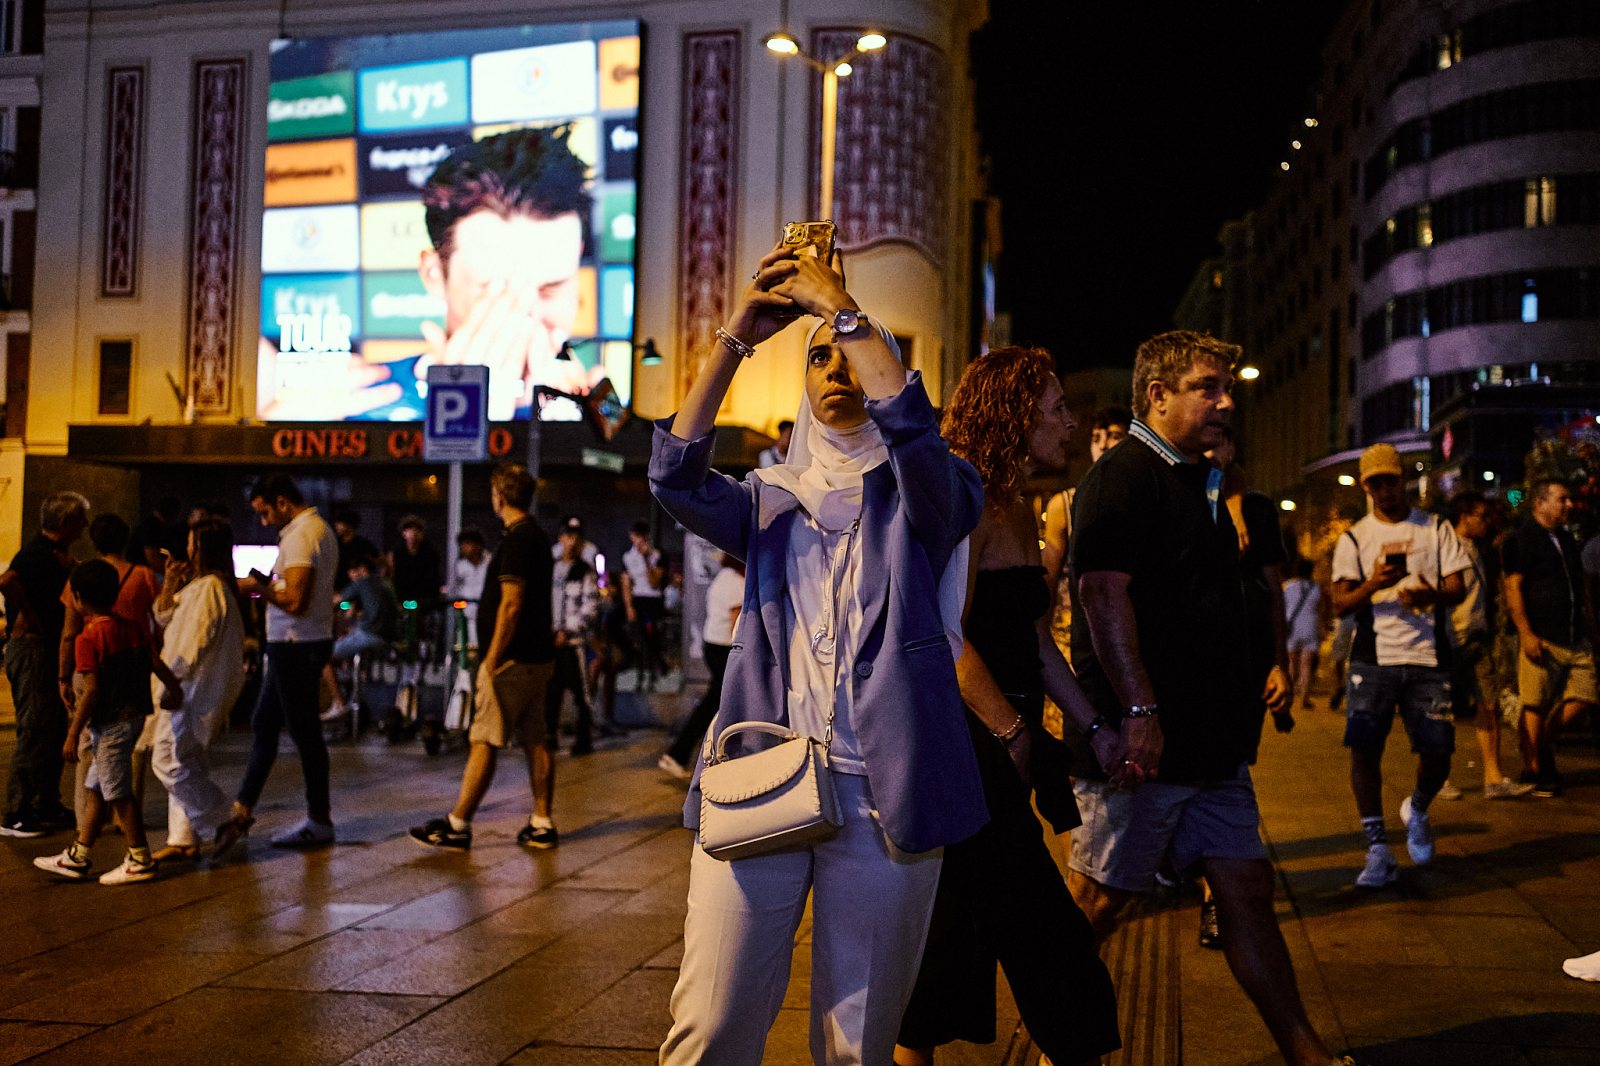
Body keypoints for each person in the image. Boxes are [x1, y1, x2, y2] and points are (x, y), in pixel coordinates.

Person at [652, 241, 985, 1064]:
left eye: (853, 352)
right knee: (711, 1025)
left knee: (854, 1045)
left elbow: (917, 440)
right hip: (760, 780)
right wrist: (737, 333)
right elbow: (674, 478)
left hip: (885, 798)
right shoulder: (768, 501)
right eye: (819, 356)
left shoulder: (935, 494)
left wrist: (841, 308)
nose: (837, 368)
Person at [1067, 331, 1347, 1066]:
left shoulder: (1201, 480)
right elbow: (1101, 597)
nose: (1226, 402)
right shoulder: (1123, 476)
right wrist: (1139, 713)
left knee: (1247, 894)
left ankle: (1307, 1055)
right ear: (1157, 395)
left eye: (1228, 388)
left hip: (1212, 747)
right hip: (1147, 750)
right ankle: (1057, 1044)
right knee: (1096, 907)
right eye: (1208, 388)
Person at [894, 346, 1122, 1066]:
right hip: (970, 740)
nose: (1069, 423)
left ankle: (912, 1047)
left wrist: (1094, 727)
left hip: (1003, 741)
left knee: (952, 922)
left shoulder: (1021, 508)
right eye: (1056, 409)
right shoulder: (966, 500)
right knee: (1041, 924)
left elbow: (1036, 641)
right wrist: (1013, 730)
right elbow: (947, 633)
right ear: (1018, 416)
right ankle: (1077, 1045)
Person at [261, 127, 597, 421]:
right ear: (435, 275)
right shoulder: (356, 409)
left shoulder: (599, 411)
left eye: (551, 288)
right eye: (497, 293)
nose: (528, 317)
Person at [1330, 444, 1469, 888]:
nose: (1385, 491)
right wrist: (1374, 582)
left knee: (1438, 751)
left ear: (1403, 479)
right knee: (1364, 750)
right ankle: (1377, 848)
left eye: (1390, 481)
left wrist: (1430, 595)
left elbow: (1458, 586)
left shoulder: (1436, 528)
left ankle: (1418, 808)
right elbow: (1340, 602)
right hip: (1373, 659)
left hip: (1429, 657)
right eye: (1375, 484)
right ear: (1365, 487)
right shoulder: (1355, 538)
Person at [410, 463, 558, 851]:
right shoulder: (537, 537)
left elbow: (511, 603)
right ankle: (542, 822)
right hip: (538, 656)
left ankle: (458, 823)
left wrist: (491, 660)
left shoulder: (516, 541)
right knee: (536, 740)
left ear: (500, 497)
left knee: (483, 738)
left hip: (511, 661)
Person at [33, 560, 181, 885]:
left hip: (110, 723)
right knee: (97, 787)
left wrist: (73, 733)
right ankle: (78, 855)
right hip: (133, 717)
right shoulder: (132, 627)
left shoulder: (88, 638)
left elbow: (91, 691)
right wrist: (175, 689)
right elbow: (155, 662)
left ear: (78, 597)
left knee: (118, 792)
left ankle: (140, 858)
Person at [217, 473, 341, 853]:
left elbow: (296, 601)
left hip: (296, 645)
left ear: (283, 502)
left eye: (266, 512)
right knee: (264, 723)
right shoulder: (314, 530)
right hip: (293, 644)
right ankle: (242, 810)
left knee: (304, 733)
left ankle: (319, 820)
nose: (264, 520)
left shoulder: (303, 536)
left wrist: (259, 588)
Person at [149, 519, 246, 863]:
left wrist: (172, 682)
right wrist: (170, 585)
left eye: (192, 543)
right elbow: (164, 618)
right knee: (186, 760)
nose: (187, 549)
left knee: (168, 760)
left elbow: (191, 642)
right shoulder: (206, 586)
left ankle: (225, 820)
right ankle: (182, 839)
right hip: (190, 688)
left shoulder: (209, 588)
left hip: (187, 690)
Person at [55, 514, 162, 826]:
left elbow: (69, 633)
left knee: (88, 742)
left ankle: (87, 817)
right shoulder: (143, 575)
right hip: (132, 668)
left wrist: (63, 676)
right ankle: (122, 816)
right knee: (130, 745)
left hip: (90, 666)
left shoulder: (81, 578)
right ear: (126, 540)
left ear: (93, 542)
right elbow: (160, 619)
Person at [0, 491, 90, 838]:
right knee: (36, 728)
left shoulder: (55, 555)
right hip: (34, 651)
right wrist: (29, 615)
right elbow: (7, 580)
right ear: (65, 522)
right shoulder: (37, 553)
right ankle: (17, 812)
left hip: (44, 649)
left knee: (52, 729)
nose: (84, 526)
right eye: (80, 520)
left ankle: (45, 803)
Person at [1502, 479, 1597, 798]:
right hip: (1542, 635)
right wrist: (1526, 633)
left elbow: (1579, 587)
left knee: (1585, 696)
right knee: (1535, 702)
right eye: (1562, 499)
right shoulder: (1520, 539)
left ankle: (1540, 745)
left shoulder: (1567, 539)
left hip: (1574, 635)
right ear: (1540, 503)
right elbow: (1513, 588)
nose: (1569, 505)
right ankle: (1534, 770)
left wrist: (1589, 625)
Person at [1450, 491, 1532, 799]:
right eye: (1481, 516)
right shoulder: (1445, 546)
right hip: (1450, 638)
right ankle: (1437, 778)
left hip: (1477, 637)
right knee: (1440, 710)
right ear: (1464, 517)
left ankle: (1493, 778)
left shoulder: (1479, 548)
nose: (1487, 522)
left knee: (1488, 704)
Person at [1041, 404, 1130, 666]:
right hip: (1069, 640)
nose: (1103, 445)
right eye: (1095, 438)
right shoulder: (1065, 504)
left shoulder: (1137, 503)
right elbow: (1048, 579)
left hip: (1122, 637)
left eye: (1114, 436)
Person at [658, 553, 745, 778]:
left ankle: (682, 754)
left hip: (712, 644)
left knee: (716, 703)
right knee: (715, 704)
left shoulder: (723, 577)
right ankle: (679, 754)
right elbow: (736, 626)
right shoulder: (737, 581)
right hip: (724, 648)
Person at [321, 555, 400, 724]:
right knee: (349, 644)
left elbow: (336, 601)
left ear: (361, 570)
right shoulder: (386, 583)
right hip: (389, 640)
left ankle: (339, 703)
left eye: (352, 574)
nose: (351, 578)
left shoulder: (362, 582)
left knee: (324, 657)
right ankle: (351, 698)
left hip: (369, 635)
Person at [548, 522, 600, 755]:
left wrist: (567, 631)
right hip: (553, 642)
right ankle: (549, 736)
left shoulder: (584, 571)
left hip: (575, 643)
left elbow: (590, 608)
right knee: (551, 692)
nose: (572, 542)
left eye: (576, 538)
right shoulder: (552, 568)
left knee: (582, 694)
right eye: (568, 536)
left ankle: (583, 740)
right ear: (561, 538)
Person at [620, 520, 669, 688]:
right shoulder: (627, 557)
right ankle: (650, 664)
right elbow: (626, 583)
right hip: (638, 600)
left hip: (653, 600)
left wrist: (647, 560)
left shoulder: (658, 555)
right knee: (640, 635)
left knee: (650, 631)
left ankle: (656, 666)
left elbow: (654, 582)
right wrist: (629, 607)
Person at [1283, 560, 1322, 709]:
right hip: (1310, 627)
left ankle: (1288, 695)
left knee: (1291, 664)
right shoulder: (1316, 588)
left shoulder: (1287, 586)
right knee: (1306, 665)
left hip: (1292, 627)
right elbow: (1320, 609)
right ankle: (1304, 698)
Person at [388, 515, 442, 611]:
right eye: (409, 530)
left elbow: (433, 578)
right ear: (403, 533)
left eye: (417, 530)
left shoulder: (430, 553)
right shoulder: (396, 553)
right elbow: (392, 577)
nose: (413, 534)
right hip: (401, 599)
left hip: (424, 600)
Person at [449, 528, 492, 635]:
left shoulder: (490, 564)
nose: (463, 548)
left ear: (478, 545)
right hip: (466, 617)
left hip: (487, 615)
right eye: (462, 545)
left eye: (467, 544)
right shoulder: (460, 566)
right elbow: (453, 589)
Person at [332, 509, 379, 594]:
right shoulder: (335, 543)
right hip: (337, 589)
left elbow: (378, 562)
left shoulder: (363, 545)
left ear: (350, 525)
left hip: (358, 589)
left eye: (340, 523)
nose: (336, 526)